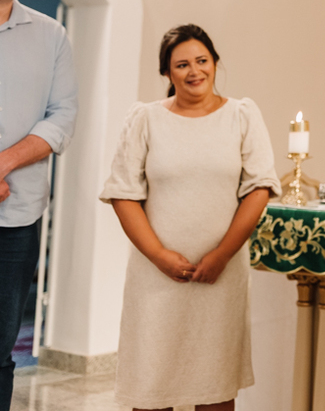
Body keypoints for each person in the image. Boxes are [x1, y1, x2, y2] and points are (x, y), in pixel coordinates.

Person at [100, 25, 281, 411]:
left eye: (202, 60)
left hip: (221, 275)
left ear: (215, 63)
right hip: (155, 278)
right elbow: (123, 194)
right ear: (167, 73)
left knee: (214, 386)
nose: (194, 71)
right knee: (151, 385)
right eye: (182, 64)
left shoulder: (242, 115)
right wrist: (160, 256)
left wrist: (221, 255)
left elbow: (258, 189)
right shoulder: (145, 119)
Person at [0, 0, 77, 411]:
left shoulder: (51, 35)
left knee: (0, 345)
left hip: (17, 214)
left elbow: (63, 116)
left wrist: (4, 162)